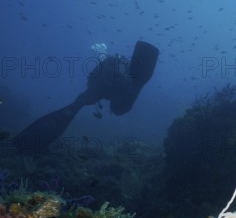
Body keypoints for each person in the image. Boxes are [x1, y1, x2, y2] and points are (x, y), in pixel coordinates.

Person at [13, 41, 159, 153]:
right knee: (121, 105)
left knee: (79, 104)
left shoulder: (112, 66)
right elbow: (121, 101)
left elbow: (92, 79)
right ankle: (30, 143)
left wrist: (88, 95)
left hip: (103, 85)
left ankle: (27, 141)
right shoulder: (127, 82)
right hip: (118, 85)